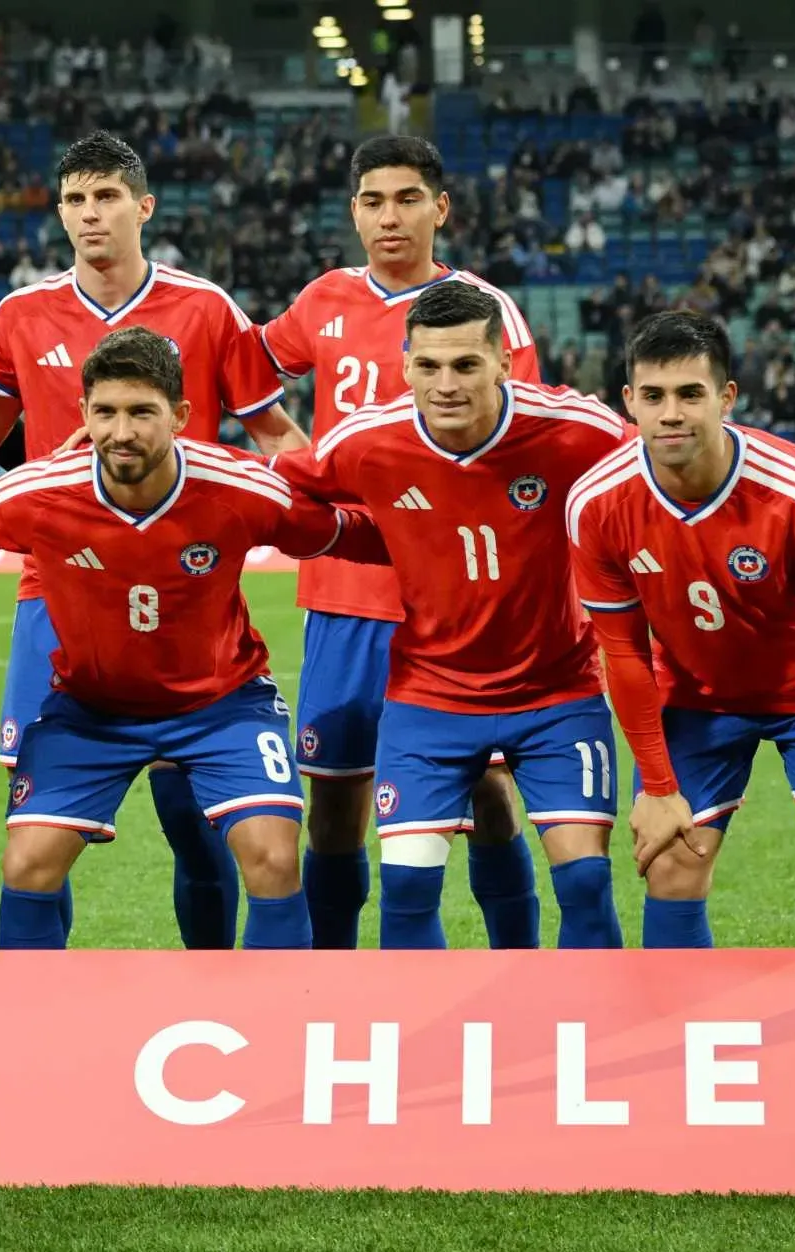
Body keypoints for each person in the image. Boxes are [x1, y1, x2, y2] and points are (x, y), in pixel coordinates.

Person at [0, 131, 307, 952]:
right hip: (58, 588)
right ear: (59, 212)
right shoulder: (20, 316)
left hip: (183, 585)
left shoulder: (206, 310)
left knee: (196, 821)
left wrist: (363, 505)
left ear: (143, 207)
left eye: (108, 196)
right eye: (77, 199)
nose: (92, 214)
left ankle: (214, 983)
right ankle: (50, 1000)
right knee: (42, 839)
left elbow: (275, 435)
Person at [0, 327, 386, 950]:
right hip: (89, 712)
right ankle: (29, 1010)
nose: (121, 431)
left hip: (224, 705)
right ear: (82, 413)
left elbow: (352, 534)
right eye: (105, 412)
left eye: (141, 412)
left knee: (272, 858)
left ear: (180, 416)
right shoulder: (39, 493)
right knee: (26, 864)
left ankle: (283, 1009)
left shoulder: (238, 488)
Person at [271, 281, 628, 950]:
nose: (446, 385)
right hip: (429, 697)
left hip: (556, 692)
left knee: (585, 881)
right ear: (405, 365)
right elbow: (273, 485)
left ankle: (572, 1008)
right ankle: (404, 1020)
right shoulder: (369, 439)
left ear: (503, 362)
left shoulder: (576, 430)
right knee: (406, 889)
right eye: (429, 366)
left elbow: (667, 461)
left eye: (466, 365)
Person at [257, 135, 543, 951]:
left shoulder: (483, 310)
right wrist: (290, 450)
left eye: (408, 199)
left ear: (439, 208)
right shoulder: (324, 300)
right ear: (354, 212)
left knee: (487, 792)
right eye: (374, 201)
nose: (391, 217)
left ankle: (520, 967)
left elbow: (525, 438)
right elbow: (241, 373)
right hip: (345, 591)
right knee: (335, 801)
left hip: (453, 596)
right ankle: (333, 977)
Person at [567, 310, 795, 948]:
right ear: (629, 400)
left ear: (726, 397)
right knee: (671, 864)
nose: (671, 414)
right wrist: (657, 787)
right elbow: (624, 656)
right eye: (654, 396)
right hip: (696, 695)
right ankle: (677, 1013)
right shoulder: (598, 503)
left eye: (691, 394)